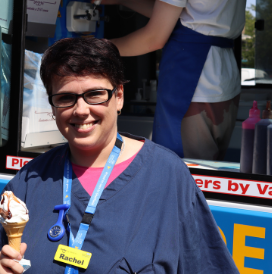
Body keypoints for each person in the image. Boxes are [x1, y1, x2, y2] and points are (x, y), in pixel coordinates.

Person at [0, 36, 243, 274]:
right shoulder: (29, 180)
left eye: (94, 94)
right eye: (66, 98)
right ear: (53, 106)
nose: (81, 110)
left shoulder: (168, 176)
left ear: (118, 97)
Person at [101, 0, 243, 160]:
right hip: (224, 74)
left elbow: (154, 38)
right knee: (209, 170)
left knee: (182, 170)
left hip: (194, 79)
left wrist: (94, 48)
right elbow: (182, 14)